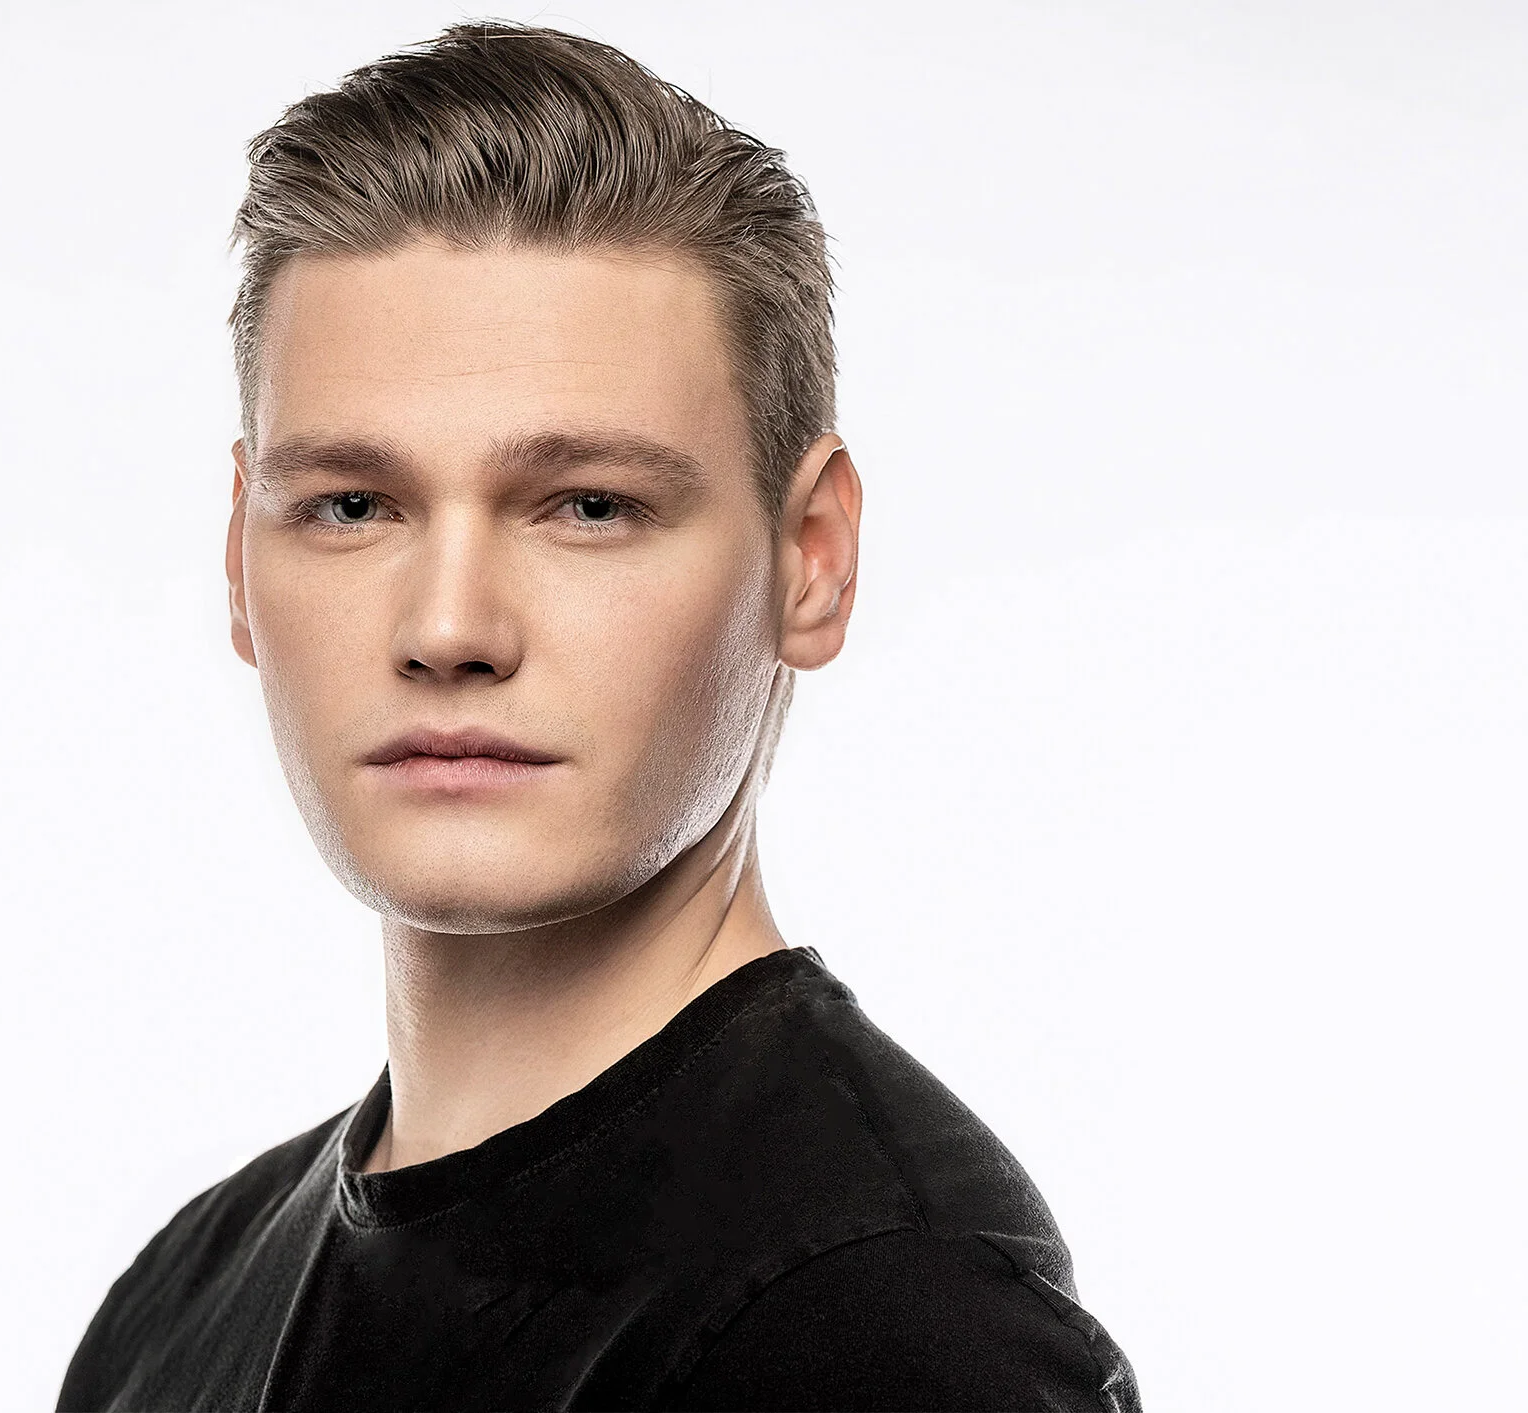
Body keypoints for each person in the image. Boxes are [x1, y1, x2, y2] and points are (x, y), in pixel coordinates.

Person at [57, 20, 1141, 1412]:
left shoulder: (881, 1327)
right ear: (237, 559)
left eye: (588, 507)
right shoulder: (182, 1303)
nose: (448, 628)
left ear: (810, 558)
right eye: (352, 506)